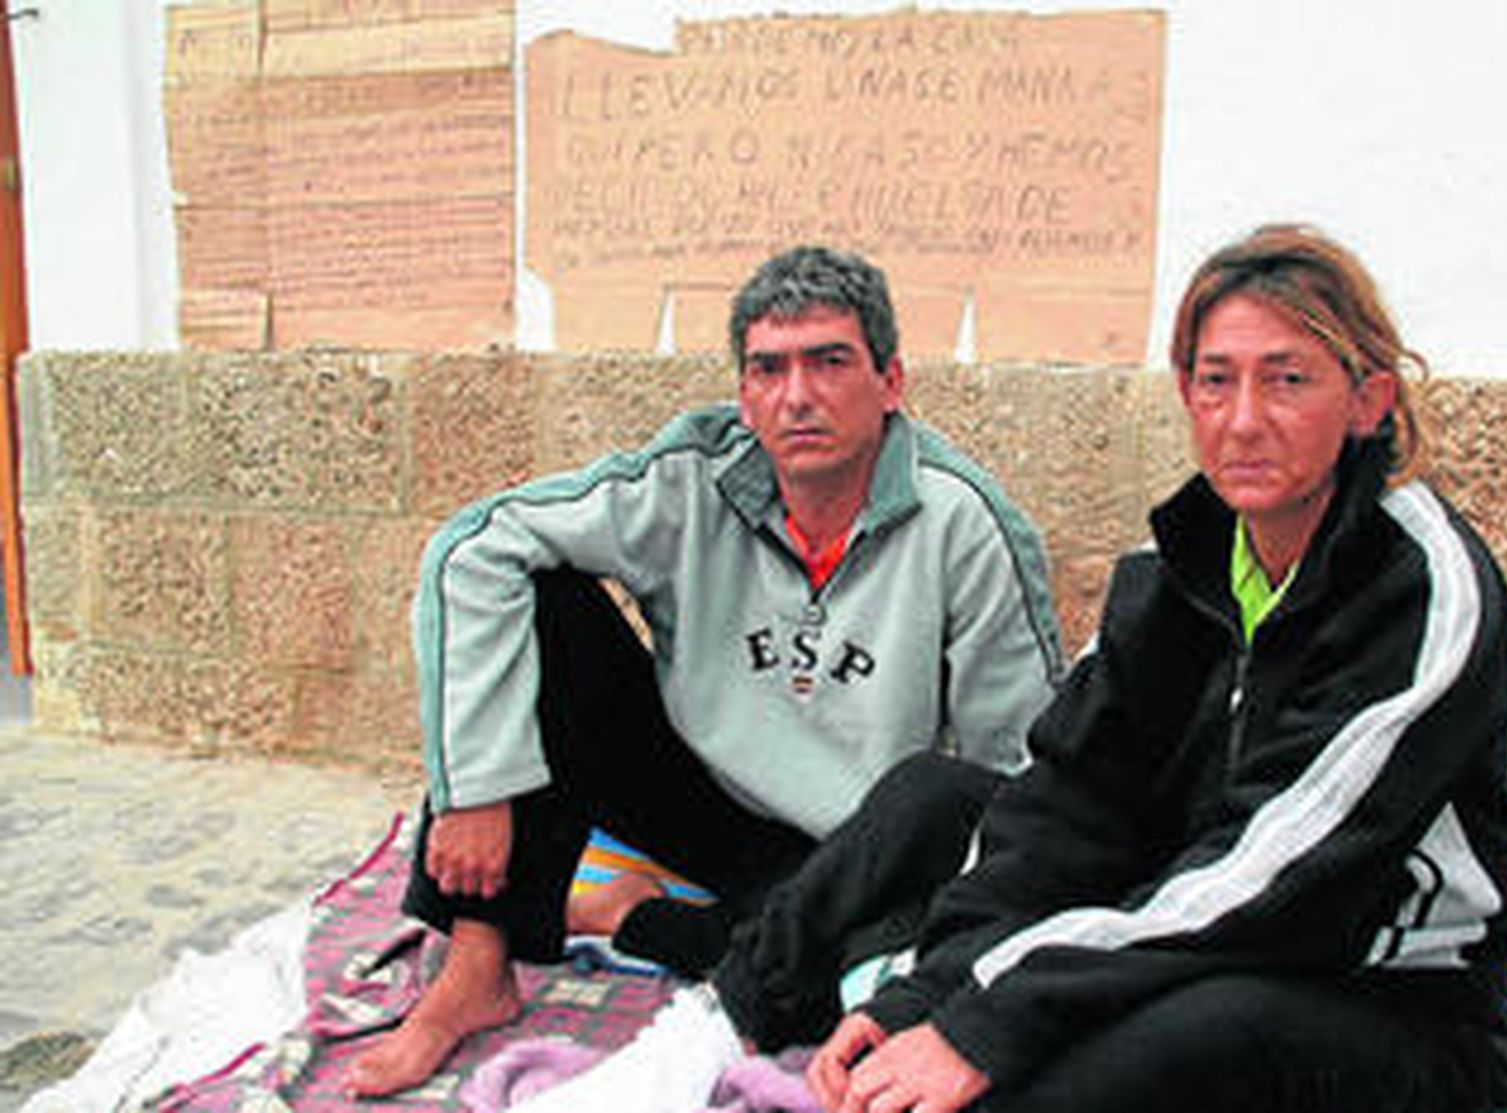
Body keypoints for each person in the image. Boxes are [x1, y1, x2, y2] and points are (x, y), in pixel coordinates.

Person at [520, 224, 1507, 1113]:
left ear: (1365, 401)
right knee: (930, 798)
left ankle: (892, 1002)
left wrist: (987, 1020)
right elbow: (1067, 799)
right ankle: (707, 1037)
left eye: (1288, 379)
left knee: (1150, 1045)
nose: (1242, 419)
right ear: (1184, 390)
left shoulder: (1421, 589)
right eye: (1216, 379)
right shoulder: (1178, 570)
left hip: (1388, 992)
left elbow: (1273, 878)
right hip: (1180, 912)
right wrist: (927, 997)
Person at [345, 245, 1066, 1097]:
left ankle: (632, 914)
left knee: (848, 1000)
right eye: (769, 368)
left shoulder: (966, 522)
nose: (798, 395)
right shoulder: (690, 478)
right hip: (691, 791)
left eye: (830, 362)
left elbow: (1013, 783)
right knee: (540, 599)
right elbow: (473, 549)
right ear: (745, 397)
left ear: (891, 381)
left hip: (844, 842)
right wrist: (475, 787)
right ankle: (476, 965)